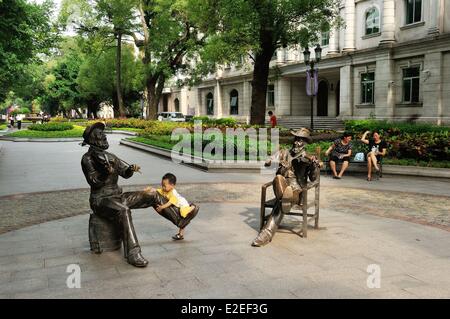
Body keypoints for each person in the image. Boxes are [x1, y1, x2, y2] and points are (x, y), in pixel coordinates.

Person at [252, 128, 320, 247]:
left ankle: (266, 234)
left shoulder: (308, 158)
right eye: (296, 139)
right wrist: (276, 162)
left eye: (300, 140)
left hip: (298, 191)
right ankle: (284, 199)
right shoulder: (284, 152)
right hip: (282, 186)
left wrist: (314, 166)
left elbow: (313, 179)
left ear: (305, 143)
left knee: (283, 200)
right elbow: (267, 162)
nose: (296, 142)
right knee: (278, 178)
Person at [144, 173, 198, 241]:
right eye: (162, 185)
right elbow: (157, 190)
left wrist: (162, 207)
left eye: (164, 186)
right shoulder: (165, 190)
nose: (163, 187)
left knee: (183, 214)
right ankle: (180, 234)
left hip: (182, 204)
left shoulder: (173, 193)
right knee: (183, 220)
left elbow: (170, 203)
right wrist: (150, 189)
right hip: (176, 206)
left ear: (172, 185)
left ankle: (193, 207)